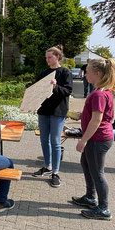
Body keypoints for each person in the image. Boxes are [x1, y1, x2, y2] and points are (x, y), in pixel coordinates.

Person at [71, 58, 115, 220]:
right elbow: (96, 115)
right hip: (97, 138)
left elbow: (97, 120)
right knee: (87, 165)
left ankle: (104, 209)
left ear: (97, 74)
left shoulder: (99, 94)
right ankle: (90, 197)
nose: (85, 75)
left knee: (97, 172)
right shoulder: (102, 91)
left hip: (98, 139)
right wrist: (79, 116)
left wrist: (83, 140)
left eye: (88, 72)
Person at [32, 45, 72, 188]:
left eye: (50, 57)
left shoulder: (65, 73)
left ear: (57, 57)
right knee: (44, 140)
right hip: (44, 111)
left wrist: (55, 87)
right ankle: (47, 167)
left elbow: (67, 90)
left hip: (58, 112)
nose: (47, 60)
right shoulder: (44, 73)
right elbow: (37, 90)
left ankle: (55, 171)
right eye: (46, 58)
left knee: (55, 141)